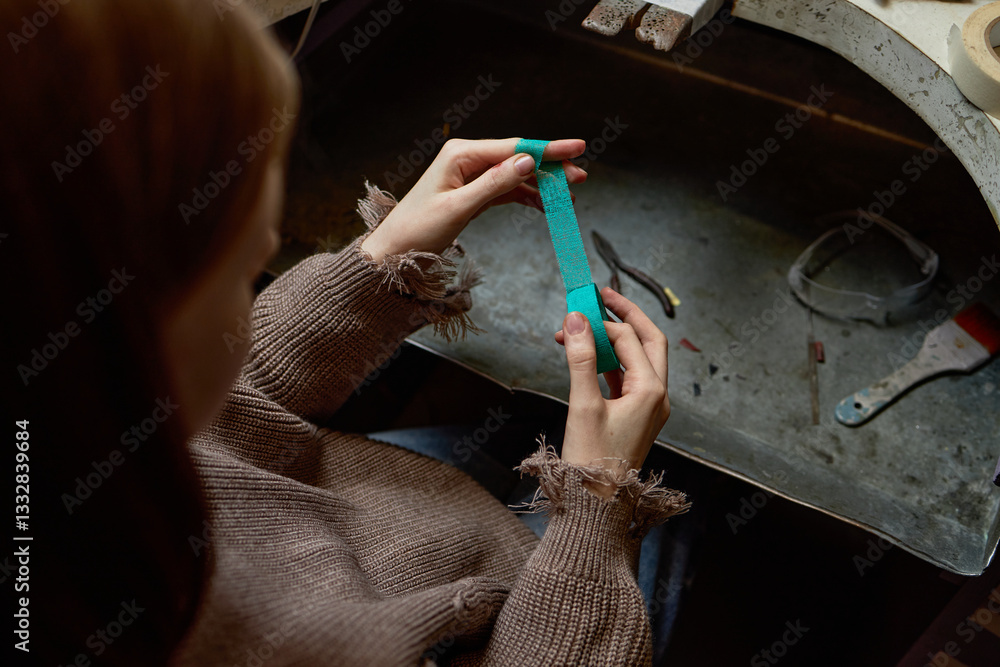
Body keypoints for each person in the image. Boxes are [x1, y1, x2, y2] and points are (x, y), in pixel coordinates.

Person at [2, 0, 689, 664]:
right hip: (530, 628)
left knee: (511, 443)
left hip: (386, 518)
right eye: (244, 268)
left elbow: (221, 415)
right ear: (122, 344)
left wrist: (382, 262)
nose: (269, 246)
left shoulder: (59, 431)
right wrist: (599, 500)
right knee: (681, 520)